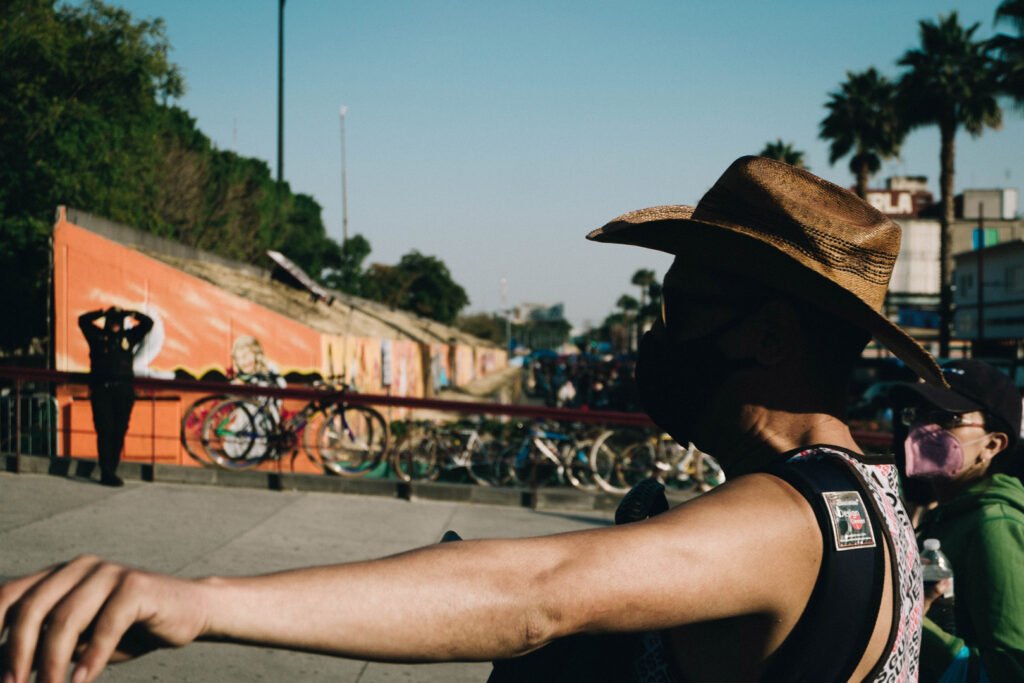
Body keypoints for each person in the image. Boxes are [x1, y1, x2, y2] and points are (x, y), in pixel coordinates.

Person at [1, 157, 942, 683]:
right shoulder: (865, 502)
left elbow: (539, 591)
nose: (658, 335)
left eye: (681, 309)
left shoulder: (789, 521)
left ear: (769, 334)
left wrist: (203, 602)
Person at [894, 360, 1024, 682]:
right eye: (919, 413)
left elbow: (1010, 669)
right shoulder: (947, 512)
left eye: (947, 418)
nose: (925, 428)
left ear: (992, 445)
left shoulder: (993, 525)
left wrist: (900, 619)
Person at [76, 306, 153, 487]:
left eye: (118, 321)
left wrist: (131, 313)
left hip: (123, 391)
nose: (115, 325)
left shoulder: (128, 337)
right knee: (105, 431)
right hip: (102, 390)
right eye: (112, 321)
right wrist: (101, 312)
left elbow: (148, 324)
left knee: (119, 431)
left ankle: (112, 469)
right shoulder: (97, 336)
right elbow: (82, 320)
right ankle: (106, 472)